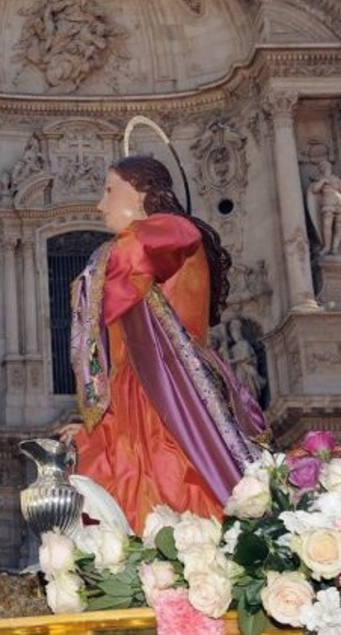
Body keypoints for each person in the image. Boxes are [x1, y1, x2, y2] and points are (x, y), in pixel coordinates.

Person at [59, 156, 267, 533]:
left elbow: (127, 268)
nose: (100, 205)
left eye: (110, 191)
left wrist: (98, 267)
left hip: (170, 395)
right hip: (141, 394)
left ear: (142, 194)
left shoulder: (175, 231)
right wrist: (95, 429)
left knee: (168, 490)